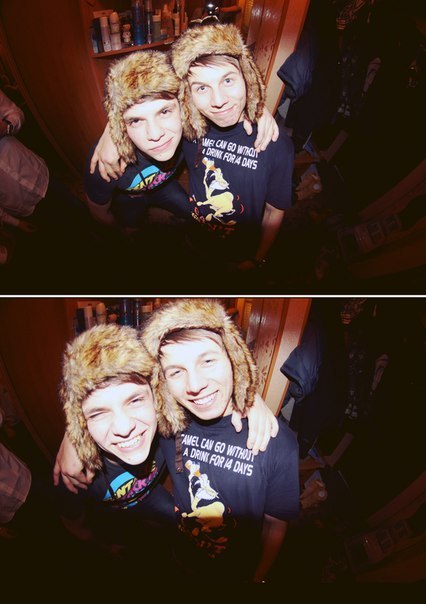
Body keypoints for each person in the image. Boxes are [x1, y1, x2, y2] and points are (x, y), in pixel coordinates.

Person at [141, 298, 300, 583]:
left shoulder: (276, 442)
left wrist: (259, 576)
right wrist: (73, 439)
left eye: (208, 361)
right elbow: (113, 393)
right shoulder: (167, 423)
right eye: (176, 371)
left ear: (233, 359)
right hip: (180, 560)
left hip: (237, 572)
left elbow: (275, 525)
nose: (195, 385)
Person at [86, 49, 278, 242]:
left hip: (165, 187)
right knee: (130, 231)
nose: (155, 135)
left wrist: (258, 109)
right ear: (121, 124)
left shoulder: (190, 127)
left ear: (184, 108)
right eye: (136, 121)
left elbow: (217, 103)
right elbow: (98, 211)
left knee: (196, 216)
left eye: (164, 112)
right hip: (129, 198)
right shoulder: (106, 162)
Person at [169, 23, 294, 274]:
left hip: (239, 256)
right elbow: (145, 97)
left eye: (227, 80)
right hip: (193, 242)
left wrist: (257, 259)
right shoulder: (189, 129)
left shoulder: (275, 143)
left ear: (246, 77)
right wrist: (111, 133)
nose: (218, 101)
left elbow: (273, 212)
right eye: (201, 88)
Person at [55, 322, 177, 570]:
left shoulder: (168, 426)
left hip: (151, 497)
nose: (124, 427)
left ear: (157, 398)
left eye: (134, 400)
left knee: (180, 522)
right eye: (98, 413)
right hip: (111, 523)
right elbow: (74, 524)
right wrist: (101, 547)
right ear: (81, 422)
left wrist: (252, 405)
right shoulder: (74, 475)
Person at [0, 88, 49, 264]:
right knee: (54, 243)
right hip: (21, 205)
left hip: (39, 174)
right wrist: (16, 223)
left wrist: (6, 126)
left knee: (80, 214)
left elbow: (16, 113)